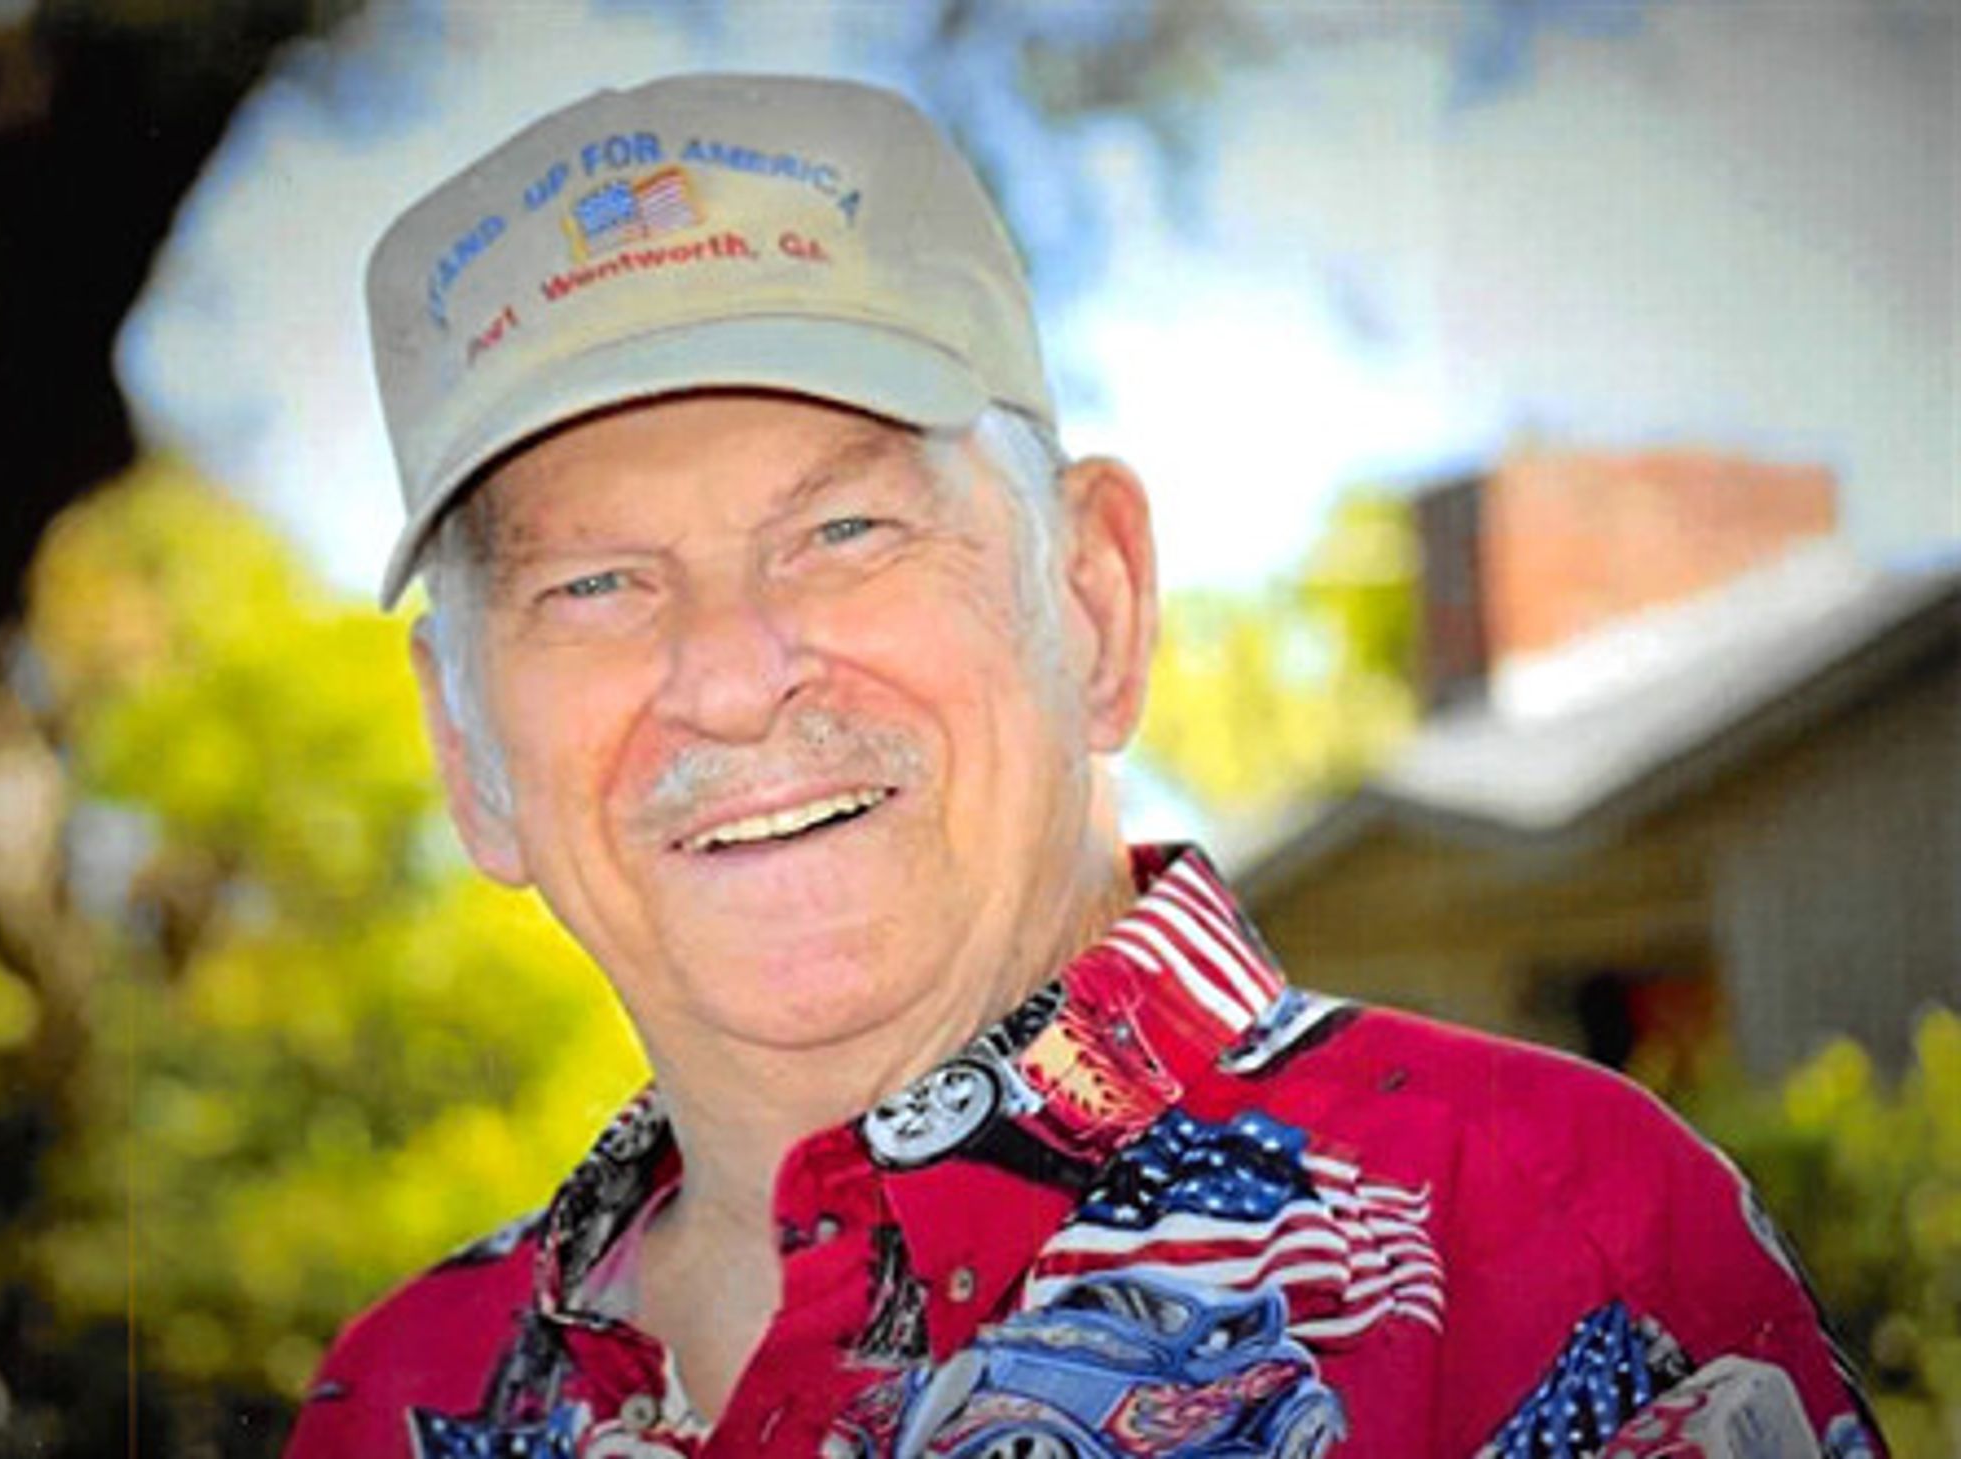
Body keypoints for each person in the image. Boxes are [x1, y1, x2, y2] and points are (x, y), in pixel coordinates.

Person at [283, 74, 1884, 1459]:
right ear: (468, 750)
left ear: (1096, 597)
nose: (730, 676)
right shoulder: (398, 1397)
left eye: (844, 528)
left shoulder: (1541, 1241)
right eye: (591, 586)